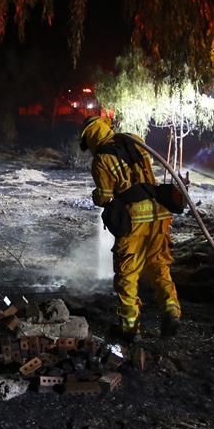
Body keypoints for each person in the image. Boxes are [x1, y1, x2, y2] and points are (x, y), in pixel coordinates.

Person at [80, 115, 181, 340]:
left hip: (135, 219)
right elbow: (150, 165)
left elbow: (105, 197)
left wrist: (97, 196)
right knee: (159, 266)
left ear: (91, 137)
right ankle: (171, 310)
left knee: (127, 274)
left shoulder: (101, 159)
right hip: (160, 213)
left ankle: (129, 328)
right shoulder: (133, 139)